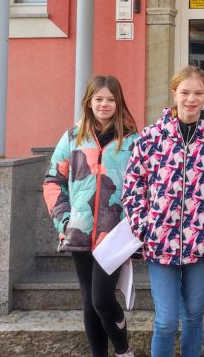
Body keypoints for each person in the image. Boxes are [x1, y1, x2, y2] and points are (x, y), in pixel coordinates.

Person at [121, 66, 204, 357]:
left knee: (194, 316)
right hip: (160, 242)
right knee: (166, 320)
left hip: (202, 241)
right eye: (185, 92)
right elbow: (133, 183)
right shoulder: (151, 137)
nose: (191, 99)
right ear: (174, 93)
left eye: (198, 93)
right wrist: (143, 225)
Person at [43, 75, 139, 357]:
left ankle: (123, 350)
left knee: (102, 299)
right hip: (80, 231)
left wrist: (135, 224)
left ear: (118, 103)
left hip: (116, 233)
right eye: (98, 99)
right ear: (88, 102)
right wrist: (64, 220)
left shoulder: (133, 141)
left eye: (110, 99)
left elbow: (145, 185)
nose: (104, 104)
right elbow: (52, 181)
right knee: (89, 302)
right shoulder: (73, 138)